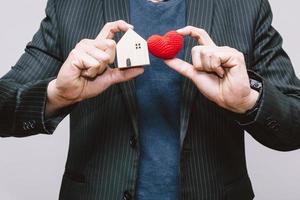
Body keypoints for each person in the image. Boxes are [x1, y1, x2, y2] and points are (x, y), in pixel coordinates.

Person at [0, 0, 299, 199]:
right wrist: (57, 94)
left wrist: (248, 100)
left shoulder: (244, 6)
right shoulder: (72, 5)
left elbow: (294, 125)